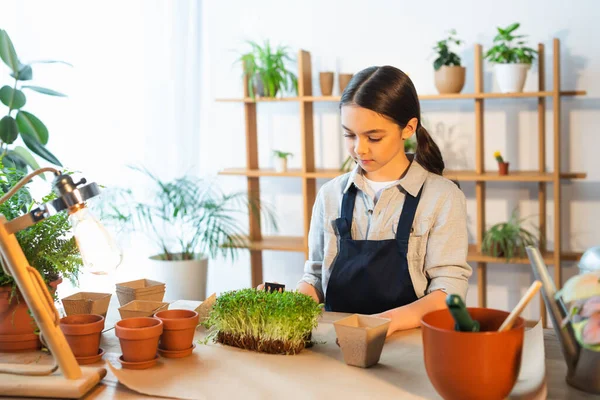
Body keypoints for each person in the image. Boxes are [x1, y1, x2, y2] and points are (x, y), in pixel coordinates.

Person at [295, 65, 472, 336]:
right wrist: (286, 305)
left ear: (408, 128)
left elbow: (448, 292)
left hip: (410, 347)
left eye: (373, 137)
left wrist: (382, 324)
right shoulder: (330, 195)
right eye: (349, 135)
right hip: (336, 343)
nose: (359, 148)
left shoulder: (443, 197)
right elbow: (316, 277)